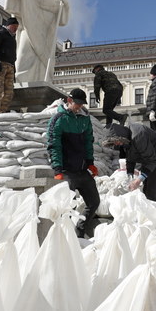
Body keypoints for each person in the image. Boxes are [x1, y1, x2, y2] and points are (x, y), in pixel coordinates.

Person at [0, 0, 73, 83]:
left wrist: (65, 5)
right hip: (29, 29)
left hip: (46, 35)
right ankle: (19, 82)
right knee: (22, 58)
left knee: (42, 63)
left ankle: (41, 83)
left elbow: (61, 21)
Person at [47, 88, 100, 237]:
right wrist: (57, 169)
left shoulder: (84, 119)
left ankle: (79, 231)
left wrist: (90, 163)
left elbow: (89, 142)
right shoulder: (58, 119)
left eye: (82, 104)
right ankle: (65, 236)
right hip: (66, 172)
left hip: (83, 171)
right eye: (77, 104)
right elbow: (53, 145)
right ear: (69, 101)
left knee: (94, 202)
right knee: (67, 207)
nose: (79, 107)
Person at [103, 123, 156, 204]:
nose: (117, 144)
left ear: (119, 136)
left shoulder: (138, 136)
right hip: (146, 155)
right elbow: (130, 157)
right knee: (146, 185)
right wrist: (130, 175)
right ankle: (148, 208)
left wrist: (137, 181)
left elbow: (151, 161)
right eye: (114, 144)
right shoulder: (125, 139)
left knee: (152, 186)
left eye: (116, 142)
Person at [0, 17, 18, 114]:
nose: (15, 29)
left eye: (16, 27)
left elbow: (13, 55)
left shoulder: (12, 39)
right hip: (0, 64)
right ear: (9, 25)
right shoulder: (0, 34)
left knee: (9, 92)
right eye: (14, 27)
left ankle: (1, 111)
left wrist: (14, 69)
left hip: (10, 66)